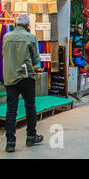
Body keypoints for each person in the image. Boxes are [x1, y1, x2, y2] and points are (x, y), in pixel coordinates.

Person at [3, 14, 43, 153]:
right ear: (27, 25)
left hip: (10, 76)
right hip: (26, 76)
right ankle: (31, 136)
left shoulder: (6, 37)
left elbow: (4, 54)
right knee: (30, 106)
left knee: (11, 108)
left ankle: (10, 142)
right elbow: (36, 59)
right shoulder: (30, 37)